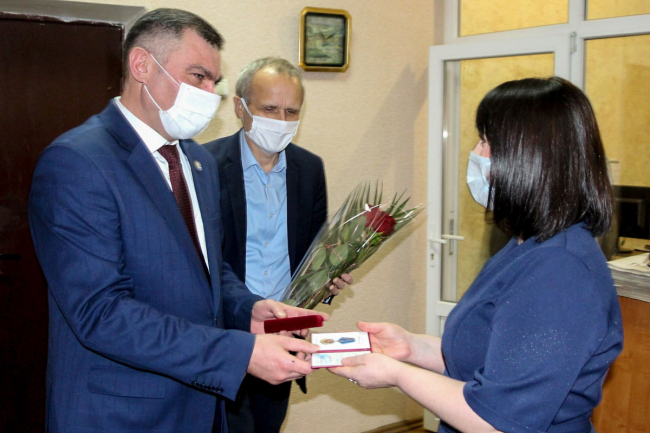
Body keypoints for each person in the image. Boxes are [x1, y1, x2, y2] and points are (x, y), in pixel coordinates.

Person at [28, 9, 325, 433]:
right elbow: (102, 312)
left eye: (214, 82)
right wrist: (237, 353)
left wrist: (248, 310)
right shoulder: (78, 162)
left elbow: (207, 271)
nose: (209, 94)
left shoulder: (197, 161)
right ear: (142, 65)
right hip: (122, 414)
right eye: (198, 76)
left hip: (199, 406)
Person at [330, 77, 623, 433]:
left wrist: (397, 375)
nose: (476, 152)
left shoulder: (560, 271)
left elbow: (499, 421)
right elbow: (493, 360)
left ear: (528, 158)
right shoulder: (526, 245)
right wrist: (412, 347)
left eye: (486, 141)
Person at [204, 57, 352, 433]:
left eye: (291, 111)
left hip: (285, 334)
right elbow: (202, 261)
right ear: (240, 107)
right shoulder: (205, 165)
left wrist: (328, 279)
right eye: (270, 109)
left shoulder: (309, 169)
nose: (281, 121)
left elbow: (316, 251)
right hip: (227, 336)